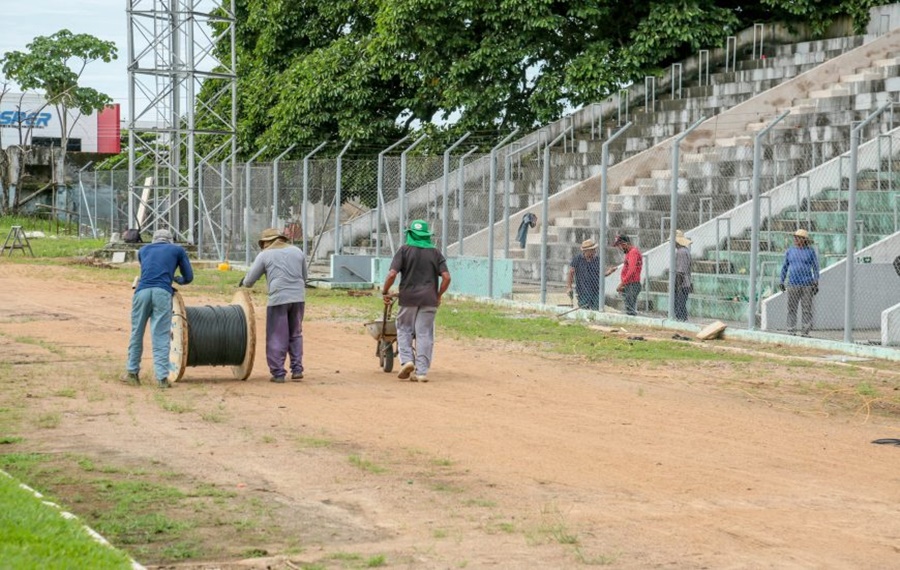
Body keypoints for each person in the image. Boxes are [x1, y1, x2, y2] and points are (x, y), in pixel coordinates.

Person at [381, 219, 451, 383]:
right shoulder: (435, 253)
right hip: (429, 299)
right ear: (427, 236)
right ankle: (421, 372)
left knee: (404, 329)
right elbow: (447, 277)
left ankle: (407, 361)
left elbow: (392, 274)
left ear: (410, 234)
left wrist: (385, 291)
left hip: (408, 298)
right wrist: (438, 294)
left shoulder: (404, 250)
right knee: (424, 333)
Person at [125, 228, 194, 389]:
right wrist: (177, 279)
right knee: (161, 335)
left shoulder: (143, 250)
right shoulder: (177, 250)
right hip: (162, 292)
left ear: (154, 240)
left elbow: (148, 270)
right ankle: (162, 378)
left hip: (141, 292)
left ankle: (132, 373)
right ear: (170, 240)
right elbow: (189, 277)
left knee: (136, 332)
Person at [241, 228, 308, 383]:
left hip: (278, 298)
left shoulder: (265, 254)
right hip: (298, 298)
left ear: (266, 242)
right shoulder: (297, 251)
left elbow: (250, 280)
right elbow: (305, 277)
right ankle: (297, 369)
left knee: (277, 335)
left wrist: (244, 282)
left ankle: (278, 373)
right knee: (296, 332)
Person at [779, 228, 819, 337]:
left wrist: (816, 281)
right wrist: (781, 281)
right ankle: (791, 330)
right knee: (792, 308)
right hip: (793, 283)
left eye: (798, 238)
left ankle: (805, 331)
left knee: (807, 309)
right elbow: (785, 267)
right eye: (795, 237)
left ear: (804, 240)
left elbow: (815, 267)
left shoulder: (810, 251)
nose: (796, 239)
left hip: (807, 284)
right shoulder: (790, 251)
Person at [566, 239, 615, 310]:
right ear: (586, 251)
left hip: (596, 290)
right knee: (584, 309)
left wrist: (609, 272)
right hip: (583, 290)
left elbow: (601, 274)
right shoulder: (577, 259)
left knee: (597, 310)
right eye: (592, 250)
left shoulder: (597, 260)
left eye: (594, 249)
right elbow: (571, 273)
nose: (594, 251)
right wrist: (569, 287)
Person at [613, 234, 643, 316]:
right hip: (629, 283)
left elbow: (631, 270)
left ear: (624, 244)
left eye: (620, 246)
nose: (620, 248)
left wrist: (622, 284)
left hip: (632, 284)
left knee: (630, 309)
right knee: (629, 307)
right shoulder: (629, 253)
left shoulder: (633, 252)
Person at [673, 230, 693, 321]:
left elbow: (680, 271)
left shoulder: (680, 252)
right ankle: (683, 320)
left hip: (681, 283)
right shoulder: (685, 251)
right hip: (685, 282)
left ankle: (682, 321)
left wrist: (677, 286)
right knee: (681, 305)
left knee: (679, 306)